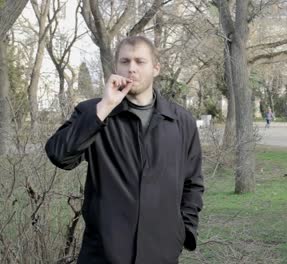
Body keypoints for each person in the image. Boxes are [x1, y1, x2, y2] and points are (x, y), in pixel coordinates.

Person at [45, 36, 204, 264]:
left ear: (155, 68)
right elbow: (60, 156)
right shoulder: (94, 112)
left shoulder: (181, 121)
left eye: (140, 61)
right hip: (103, 254)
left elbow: (193, 182)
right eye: (125, 61)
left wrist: (183, 231)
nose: (132, 69)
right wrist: (105, 107)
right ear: (116, 67)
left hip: (161, 253)